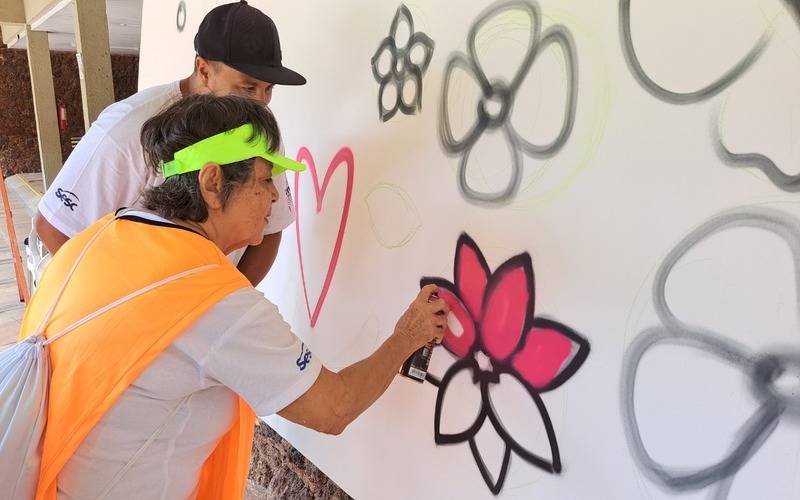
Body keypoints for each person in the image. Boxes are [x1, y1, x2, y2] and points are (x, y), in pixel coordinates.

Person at [21, 94, 449, 499]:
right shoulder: (210, 302)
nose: (276, 195)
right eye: (264, 179)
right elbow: (334, 409)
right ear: (213, 182)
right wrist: (406, 336)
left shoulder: (97, 240)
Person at [33, 0, 301, 286]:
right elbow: (54, 228)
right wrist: (128, 312)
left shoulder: (259, 129)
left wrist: (226, 302)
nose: (261, 102)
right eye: (247, 87)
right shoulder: (128, 129)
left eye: (269, 89)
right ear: (204, 69)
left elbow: (271, 227)